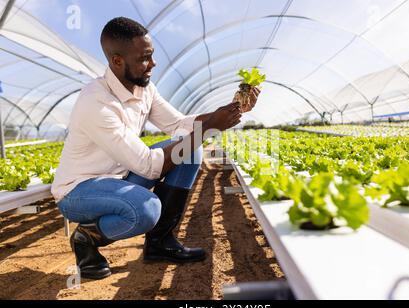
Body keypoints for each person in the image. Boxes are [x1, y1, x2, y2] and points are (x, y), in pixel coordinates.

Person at [51, 17, 260, 279]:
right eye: (144, 58)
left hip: (119, 176)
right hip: (79, 190)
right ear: (117, 61)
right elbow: (149, 166)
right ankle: (86, 236)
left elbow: (179, 124)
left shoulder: (143, 89)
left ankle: (160, 243)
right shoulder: (97, 102)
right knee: (146, 208)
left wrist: (231, 110)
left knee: (189, 151)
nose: (153, 63)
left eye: (152, 55)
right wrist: (209, 129)